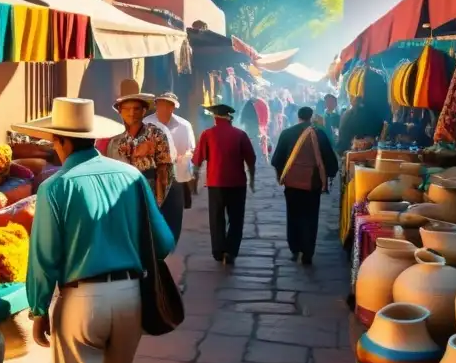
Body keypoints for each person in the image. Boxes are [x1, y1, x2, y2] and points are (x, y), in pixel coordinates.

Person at [15, 97, 176, 363]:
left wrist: (36, 309)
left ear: (60, 143)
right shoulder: (129, 176)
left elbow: (43, 258)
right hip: (131, 296)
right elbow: (163, 243)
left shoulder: (55, 188)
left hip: (81, 302)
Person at [271, 106, 339, 265]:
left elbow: (276, 160)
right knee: (310, 216)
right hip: (312, 184)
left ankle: (294, 248)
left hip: (292, 184)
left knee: (293, 215)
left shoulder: (287, 133)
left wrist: (282, 175)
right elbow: (329, 158)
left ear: (298, 116)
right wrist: (330, 174)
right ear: (311, 117)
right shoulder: (319, 133)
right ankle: (308, 251)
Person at [192, 103, 256, 264]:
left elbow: (197, 160)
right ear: (230, 118)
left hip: (216, 183)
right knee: (236, 219)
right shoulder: (240, 135)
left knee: (216, 218)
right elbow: (251, 159)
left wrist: (195, 179)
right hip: (237, 183)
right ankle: (231, 251)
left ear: (215, 118)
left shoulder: (207, 134)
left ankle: (218, 251)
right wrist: (252, 180)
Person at [105, 92, 176, 206]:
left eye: (136, 109)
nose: (131, 113)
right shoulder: (114, 136)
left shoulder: (155, 134)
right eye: (127, 109)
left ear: (144, 110)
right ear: (120, 111)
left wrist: (158, 202)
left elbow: (164, 169)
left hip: (147, 192)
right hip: (119, 194)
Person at [143, 92, 195, 239]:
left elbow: (191, 149)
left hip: (176, 176)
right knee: (152, 211)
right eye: (161, 105)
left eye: (168, 105)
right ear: (156, 105)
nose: (164, 108)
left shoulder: (184, 126)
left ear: (173, 108)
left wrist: (183, 157)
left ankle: (170, 240)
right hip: (152, 174)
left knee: (174, 213)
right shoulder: (146, 123)